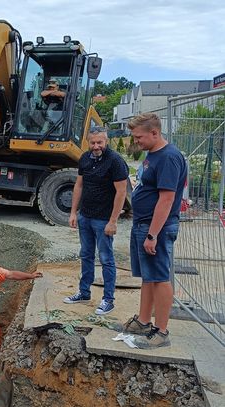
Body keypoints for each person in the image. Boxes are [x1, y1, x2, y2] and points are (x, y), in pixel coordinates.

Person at [123, 113, 187, 349]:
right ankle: (143, 321)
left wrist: (153, 234)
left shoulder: (169, 158)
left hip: (156, 227)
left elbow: (167, 199)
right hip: (144, 224)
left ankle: (161, 331)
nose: (136, 141)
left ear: (154, 133)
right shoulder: (153, 154)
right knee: (149, 277)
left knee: (160, 278)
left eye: (139, 137)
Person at [65, 126, 129, 315]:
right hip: (85, 216)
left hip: (103, 220)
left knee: (106, 259)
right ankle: (84, 292)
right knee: (85, 255)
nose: (96, 146)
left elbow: (121, 192)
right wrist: (73, 213)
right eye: (92, 142)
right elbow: (79, 186)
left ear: (106, 141)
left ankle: (108, 299)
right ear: (88, 142)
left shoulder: (115, 161)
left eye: (99, 142)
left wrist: (113, 221)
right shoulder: (85, 158)